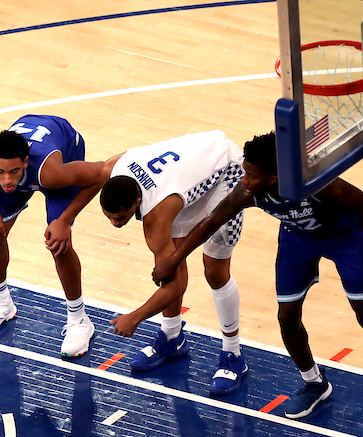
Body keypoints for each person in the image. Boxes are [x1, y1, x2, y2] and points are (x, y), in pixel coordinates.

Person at [154, 131, 363, 430]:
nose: (244, 179)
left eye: (250, 174)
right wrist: (174, 259)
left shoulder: (315, 183)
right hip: (298, 239)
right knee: (287, 317)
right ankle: (314, 383)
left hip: (346, 239)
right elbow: (212, 220)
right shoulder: (248, 192)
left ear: (274, 177)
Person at [96, 130, 249, 395]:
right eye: (109, 217)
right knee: (173, 255)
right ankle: (172, 337)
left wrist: (136, 317)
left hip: (226, 169)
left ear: (136, 201)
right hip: (182, 177)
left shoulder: (155, 218)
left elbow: (175, 287)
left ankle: (233, 354)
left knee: (215, 268)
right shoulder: (114, 167)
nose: (115, 224)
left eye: (120, 218)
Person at [0, 115, 107, 358]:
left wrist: (63, 221)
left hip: (63, 150)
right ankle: (1, 304)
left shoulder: (50, 171)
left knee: (58, 243)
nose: (7, 180)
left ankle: (80, 320)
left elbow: (101, 172)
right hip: (28, 154)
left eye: (14, 171)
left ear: (26, 162)